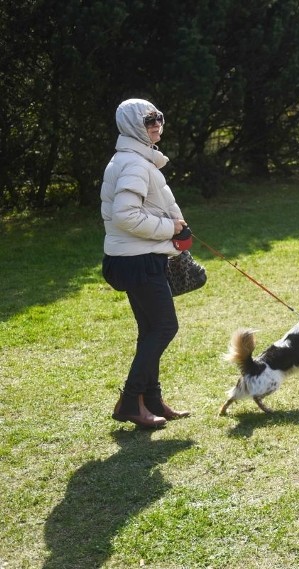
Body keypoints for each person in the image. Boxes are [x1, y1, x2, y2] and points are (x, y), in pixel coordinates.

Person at [100, 98, 192, 429]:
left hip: (135, 258)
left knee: (151, 329)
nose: (156, 126)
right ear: (131, 127)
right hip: (137, 260)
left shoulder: (135, 159)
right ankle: (129, 402)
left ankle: (151, 400)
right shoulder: (135, 164)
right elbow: (126, 215)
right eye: (147, 121)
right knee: (165, 327)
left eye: (158, 119)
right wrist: (171, 229)